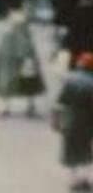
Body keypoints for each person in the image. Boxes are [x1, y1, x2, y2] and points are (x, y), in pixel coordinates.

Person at [0, 8, 45, 117]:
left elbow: (27, 49)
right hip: (12, 62)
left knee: (25, 83)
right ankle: (15, 107)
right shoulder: (14, 34)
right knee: (15, 84)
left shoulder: (16, 33)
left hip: (17, 62)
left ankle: (27, 106)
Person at [56, 52, 93, 191]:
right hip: (88, 124)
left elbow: (60, 102)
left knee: (70, 152)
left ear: (79, 64)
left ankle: (73, 181)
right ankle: (86, 180)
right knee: (86, 151)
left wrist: (56, 121)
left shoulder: (69, 79)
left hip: (70, 121)